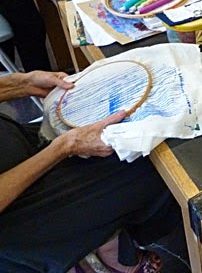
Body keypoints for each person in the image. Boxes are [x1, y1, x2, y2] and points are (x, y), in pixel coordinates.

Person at [0, 71, 181, 272]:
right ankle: (106, 246)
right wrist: (63, 147)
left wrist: (20, 84)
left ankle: (106, 241)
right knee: (152, 160)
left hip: (13, 146)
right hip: (12, 213)